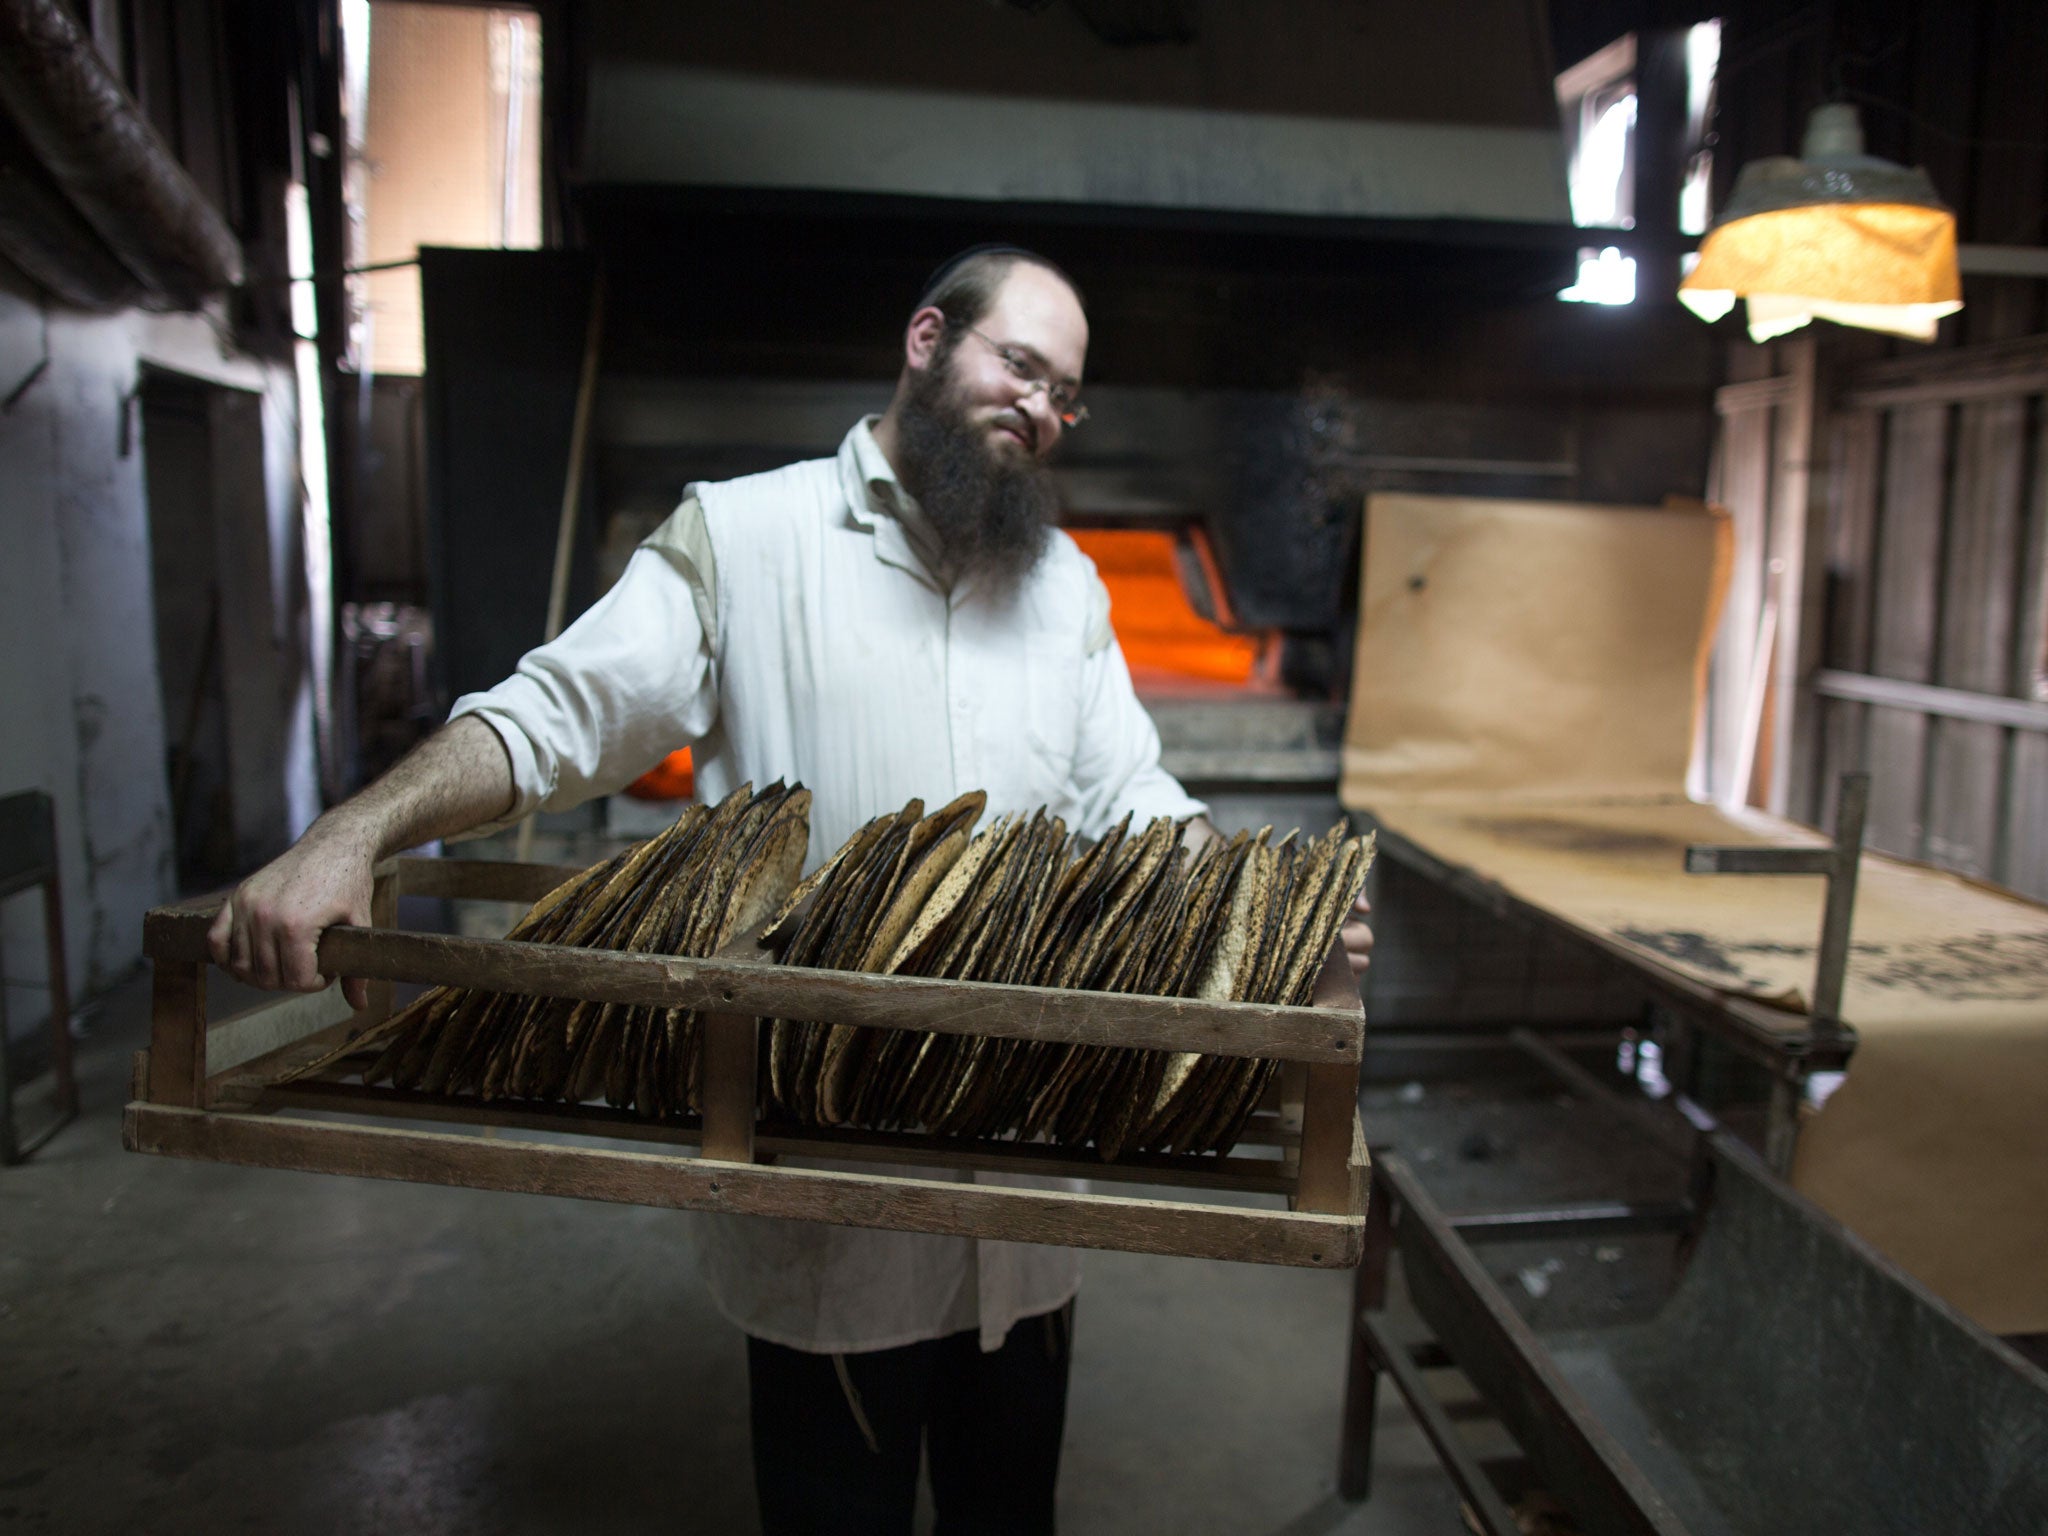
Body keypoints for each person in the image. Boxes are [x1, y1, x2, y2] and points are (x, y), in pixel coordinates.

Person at [209, 245, 1373, 1534]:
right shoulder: (746, 538)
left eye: (1066, 395)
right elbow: (555, 717)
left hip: (1029, 1192)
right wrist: (349, 835)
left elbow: (1134, 802)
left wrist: (1276, 929)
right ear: (929, 340)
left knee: (1011, 1518)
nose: (1040, 409)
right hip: (825, 1198)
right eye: (1019, 364)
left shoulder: (1065, 589)